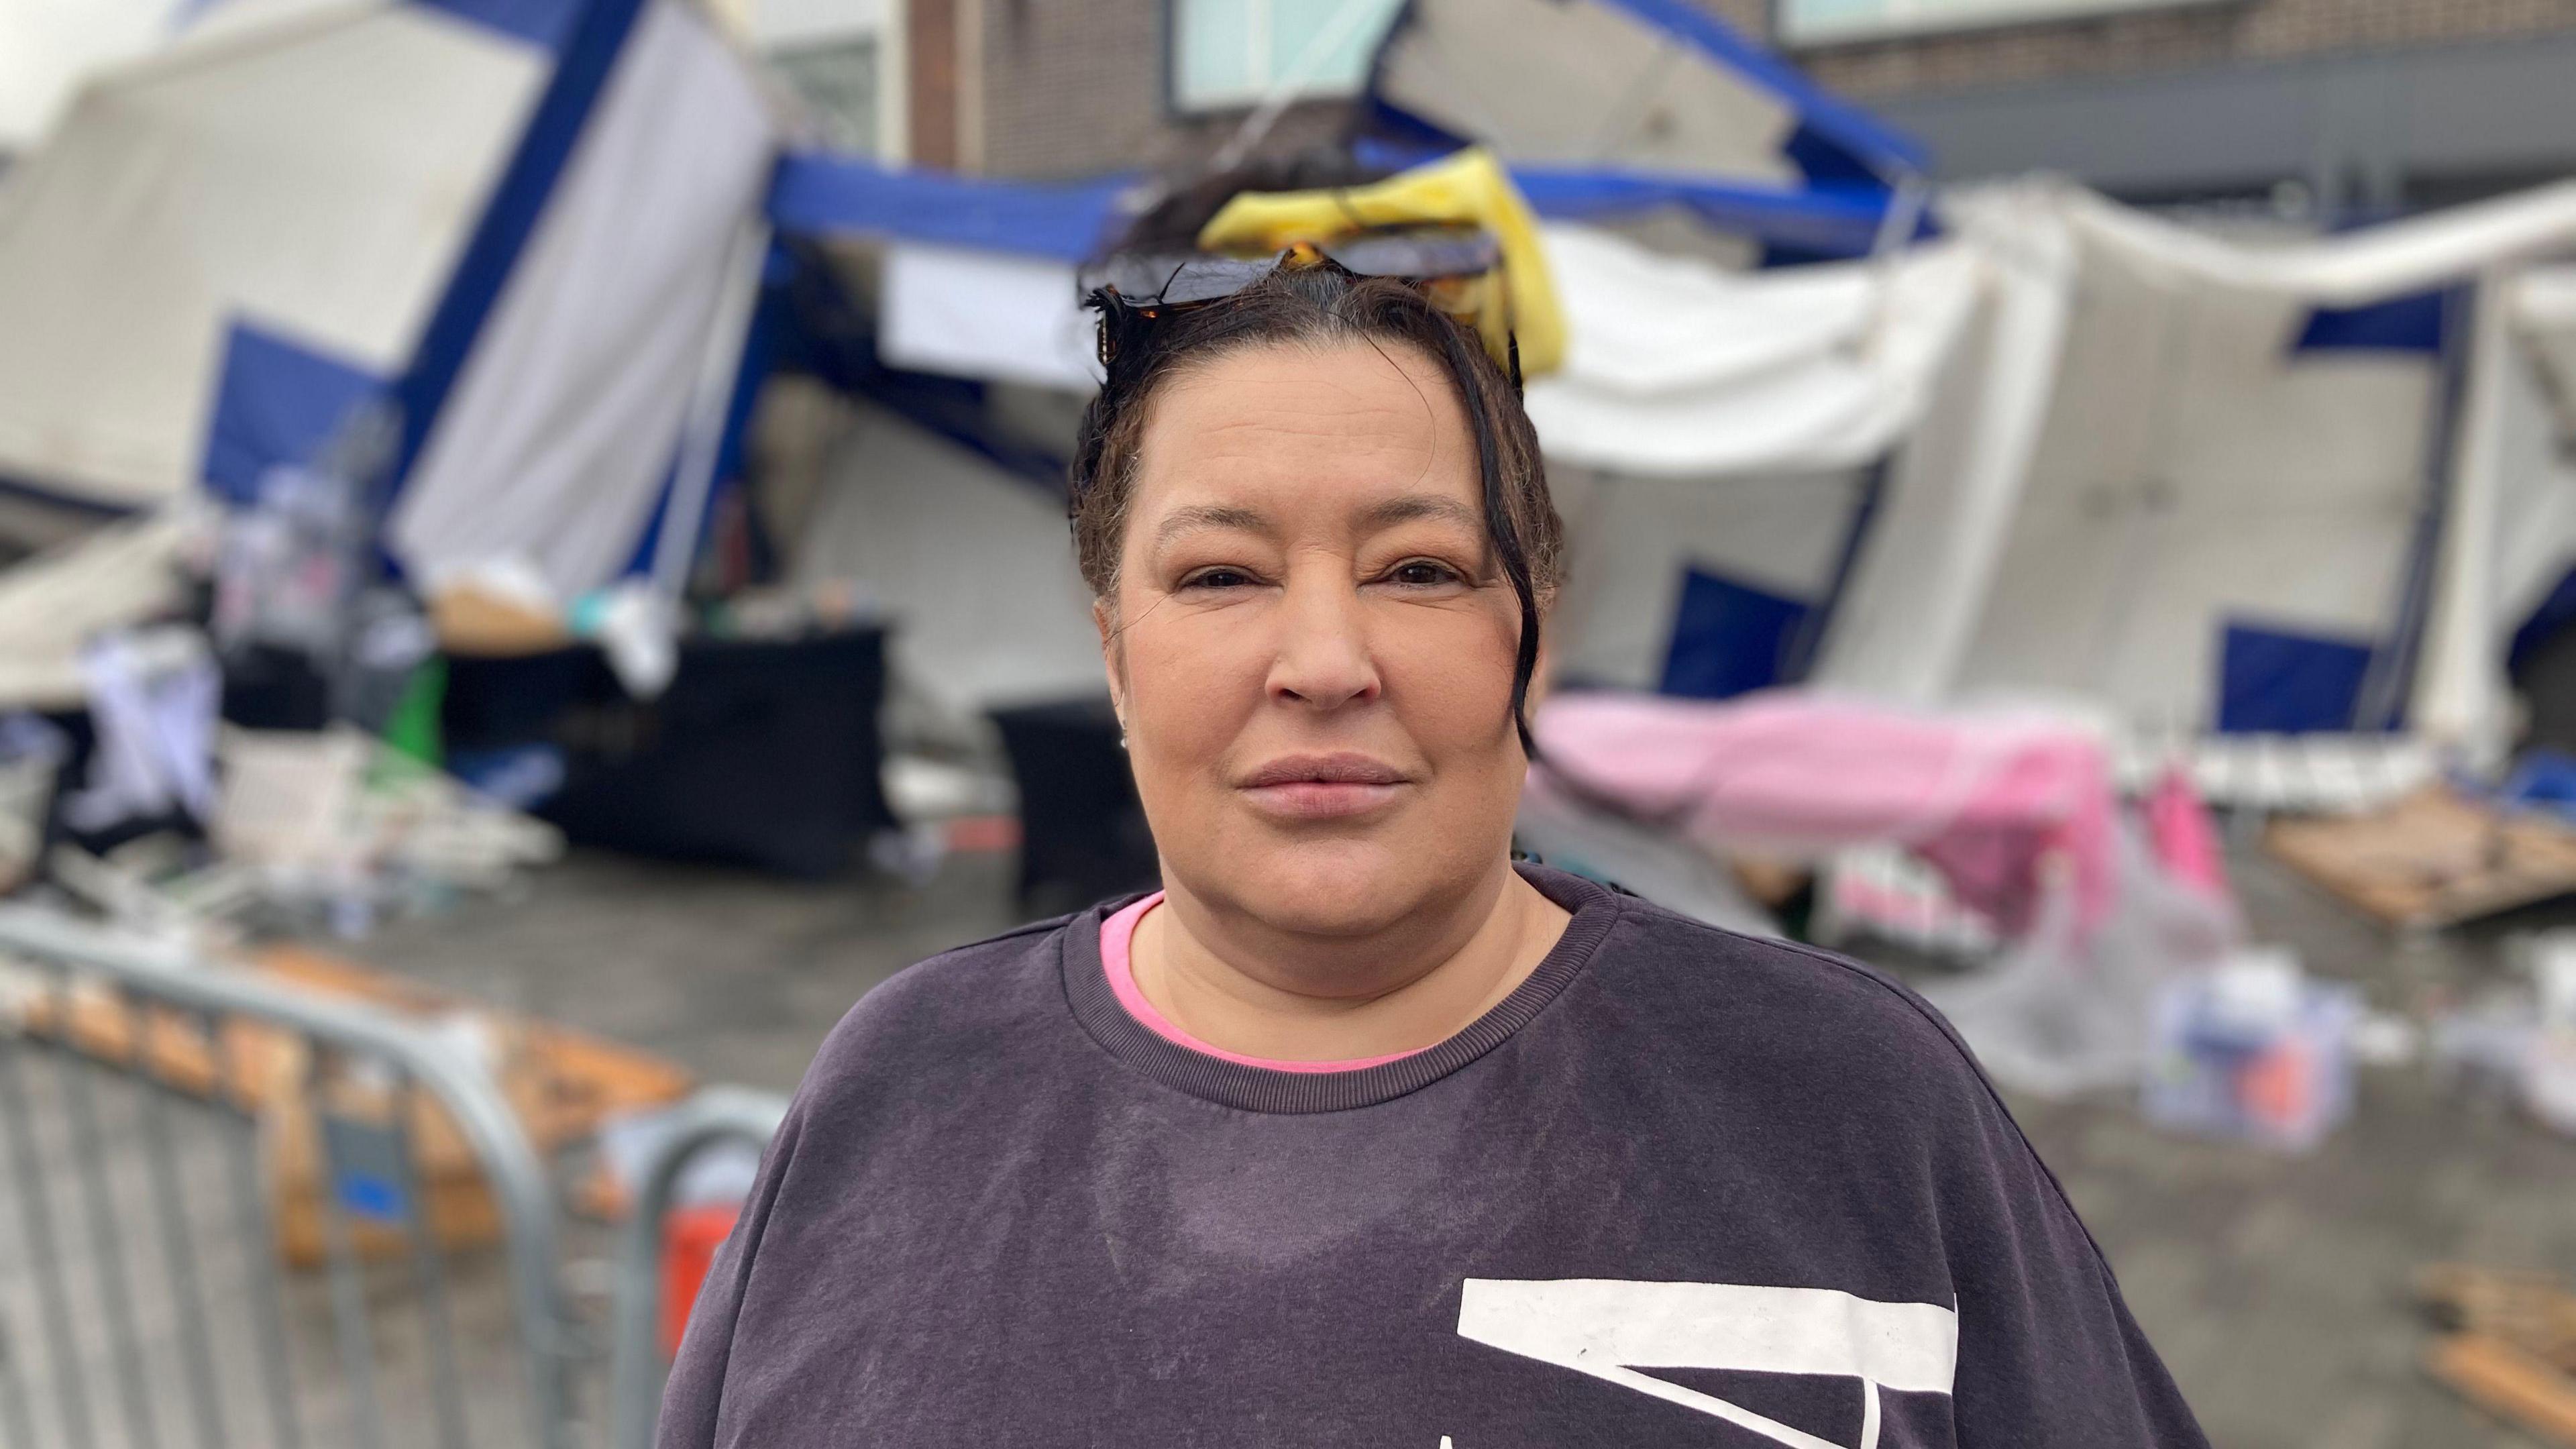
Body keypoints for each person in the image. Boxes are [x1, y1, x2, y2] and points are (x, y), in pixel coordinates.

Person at [655, 221, 2208, 1448]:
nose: (1326, 660)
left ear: (1529, 633)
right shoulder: (898, 1090)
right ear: (1116, 656)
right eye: (1218, 577)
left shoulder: (1850, 1105)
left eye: (1417, 571)